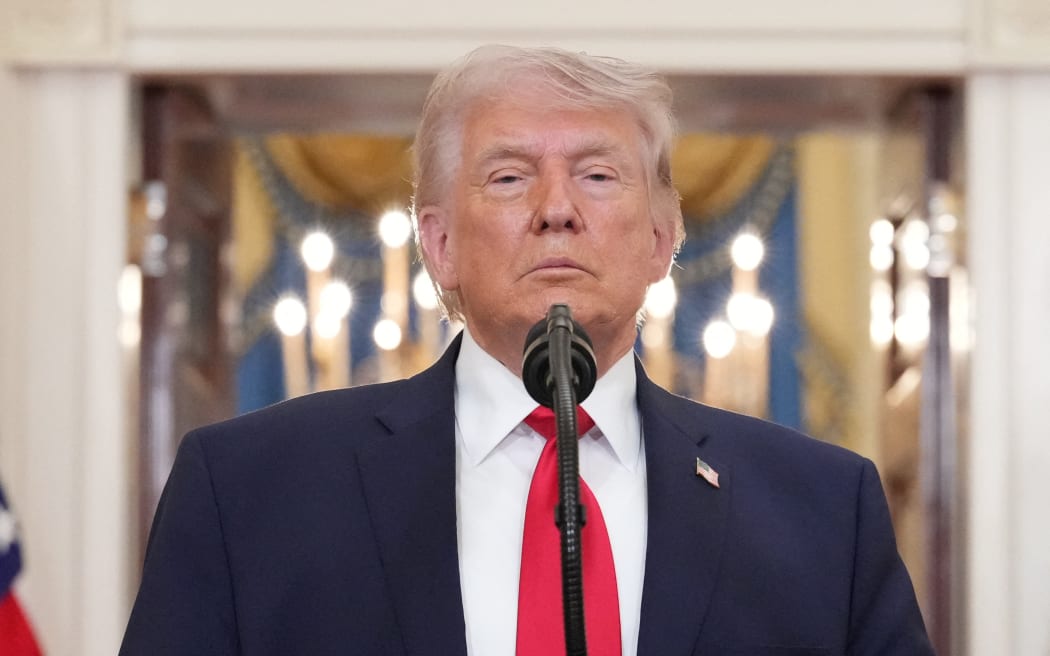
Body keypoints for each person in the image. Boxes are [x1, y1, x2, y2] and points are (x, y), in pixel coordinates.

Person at [120, 45, 934, 655]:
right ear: (438, 244)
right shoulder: (247, 493)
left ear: (662, 238)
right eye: (509, 178)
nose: (556, 209)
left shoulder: (825, 513)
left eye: (599, 177)